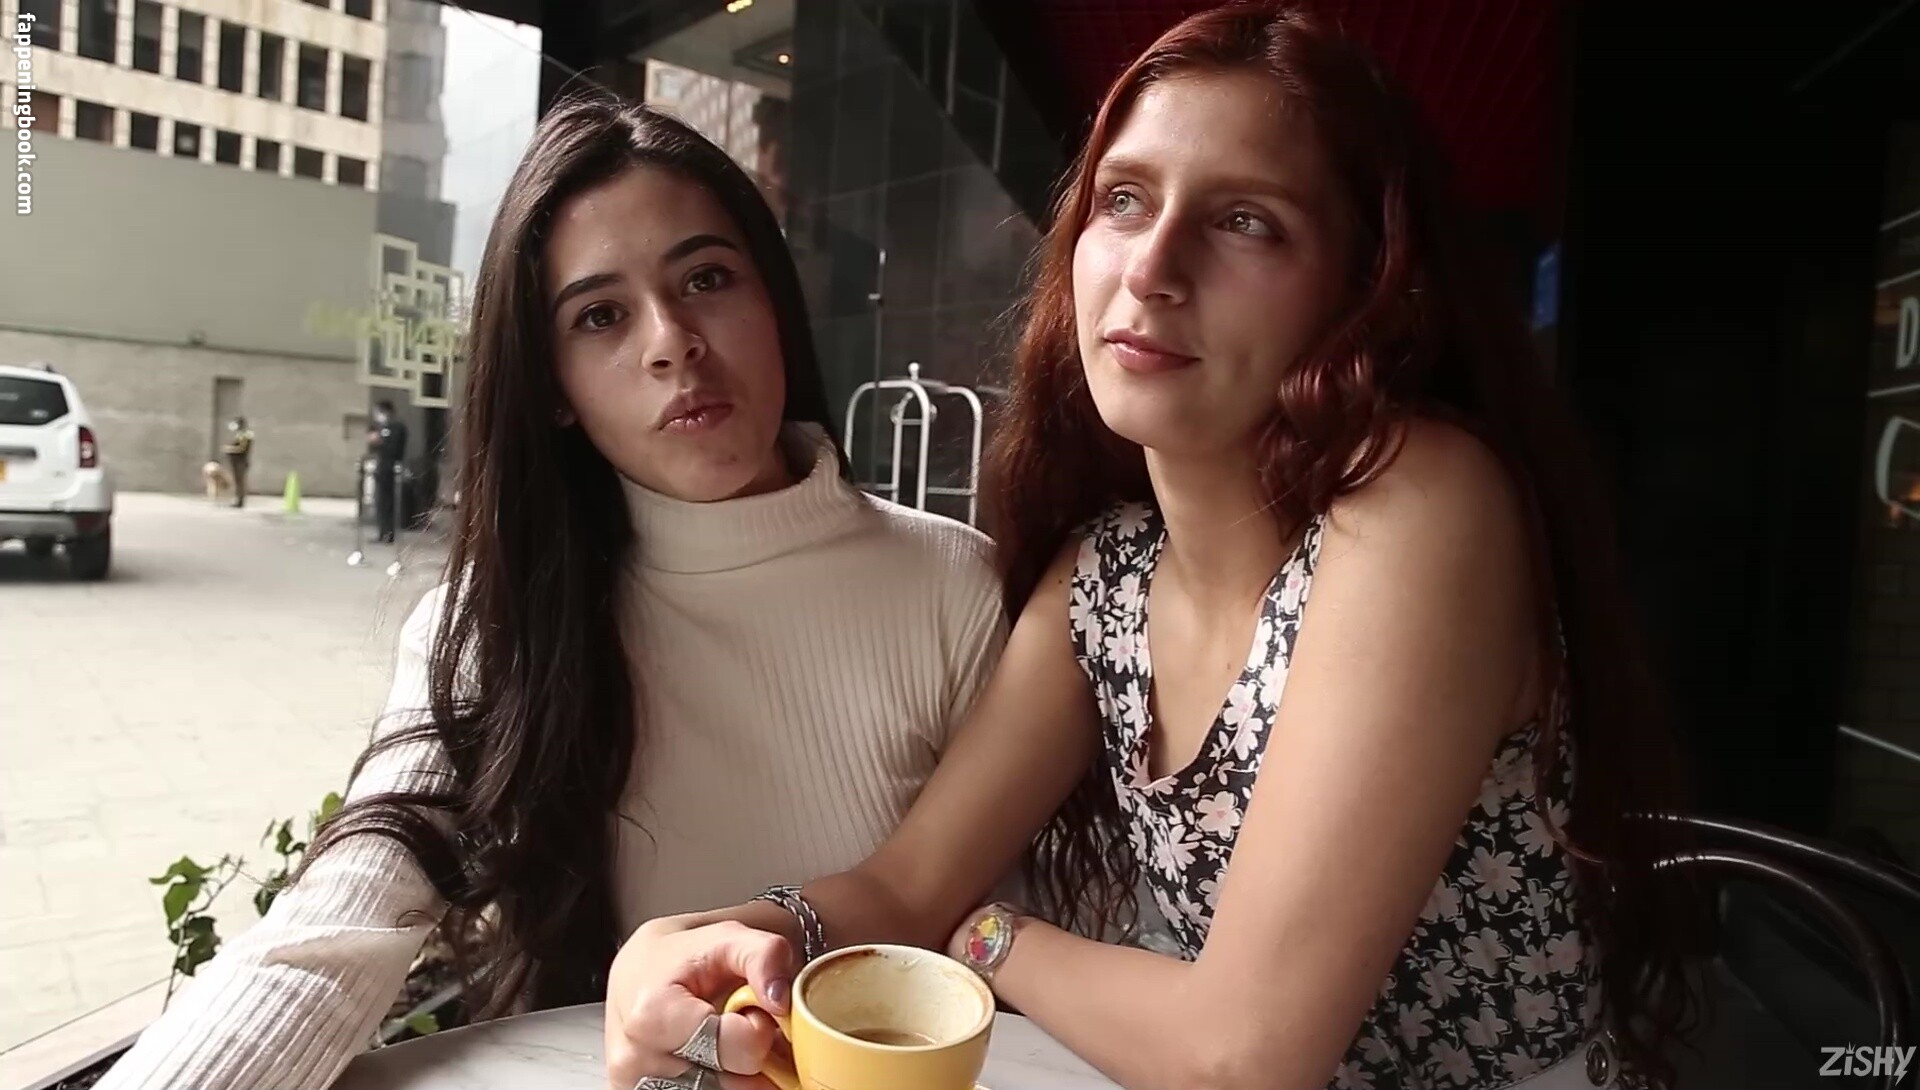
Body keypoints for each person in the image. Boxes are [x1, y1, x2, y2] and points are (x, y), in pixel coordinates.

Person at [605, 6, 1702, 1090]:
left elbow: (1241, 1052)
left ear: (1367, 289)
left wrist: (986, 936)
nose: (1152, 267)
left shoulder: (1421, 501)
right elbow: (905, 886)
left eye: (1246, 222)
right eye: (1124, 200)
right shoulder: (1107, 575)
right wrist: (713, 940)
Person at [97, 96, 1005, 1090]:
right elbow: (326, 942)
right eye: (600, 316)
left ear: (776, 302)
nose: (672, 341)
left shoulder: (953, 583)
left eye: (707, 278)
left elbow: (1009, 935)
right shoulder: (500, 622)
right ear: (555, 390)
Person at [368, 400, 409, 542]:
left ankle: (388, 532)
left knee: (388, 502)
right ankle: (382, 531)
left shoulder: (396, 427)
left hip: (389, 468)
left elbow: (393, 448)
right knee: (380, 501)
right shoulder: (381, 428)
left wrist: (380, 441)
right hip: (381, 467)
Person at [220, 417, 253, 508]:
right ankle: (238, 499)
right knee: (237, 481)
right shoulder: (240, 435)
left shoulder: (245, 435)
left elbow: (242, 448)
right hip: (236, 462)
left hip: (241, 462)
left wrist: (229, 449)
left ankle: (240, 501)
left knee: (240, 481)